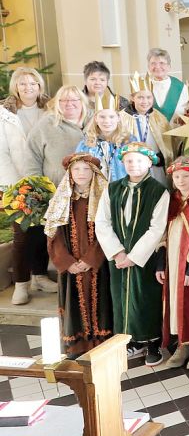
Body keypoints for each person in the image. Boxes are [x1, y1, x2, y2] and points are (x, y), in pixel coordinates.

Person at [94, 142, 169, 363]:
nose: (133, 164)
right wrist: (117, 253)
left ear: (148, 163)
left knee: (146, 297)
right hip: (118, 256)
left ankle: (152, 342)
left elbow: (157, 228)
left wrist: (134, 256)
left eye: (138, 160)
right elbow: (102, 222)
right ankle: (129, 341)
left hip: (144, 256)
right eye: (129, 161)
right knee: (121, 298)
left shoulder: (158, 191)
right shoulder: (112, 188)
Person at [43, 153, 111, 357]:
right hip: (71, 265)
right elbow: (53, 234)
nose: (81, 173)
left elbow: (110, 231)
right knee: (74, 301)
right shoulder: (61, 200)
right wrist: (67, 262)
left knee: (101, 300)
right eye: (76, 169)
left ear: (94, 173)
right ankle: (77, 343)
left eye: (86, 169)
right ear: (70, 173)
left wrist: (91, 259)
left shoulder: (104, 198)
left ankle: (103, 341)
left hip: (97, 264)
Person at [3, 68, 56, 305]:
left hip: (46, 181)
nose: (28, 88)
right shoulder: (4, 113)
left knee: (43, 231)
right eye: (23, 84)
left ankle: (40, 276)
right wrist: (13, 186)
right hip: (18, 183)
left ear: (40, 86)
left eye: (33, 83)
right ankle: (22, 284)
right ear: (16, 87)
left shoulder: (50, 109)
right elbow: (2, 152)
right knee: (22, 235)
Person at [157, 157, 189, 370]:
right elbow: (163, 233)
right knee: (175, 302)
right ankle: (182, 344)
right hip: (172, 261)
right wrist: (161, 263)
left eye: (186, 176)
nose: (181, 180)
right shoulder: (173, 199)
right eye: (177, 177)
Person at [125, 73, 173, 184]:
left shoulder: (159, 118)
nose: (145, 101)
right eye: (140, 97)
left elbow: (169, 144)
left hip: (156, 167)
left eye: (148, 97)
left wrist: (161, 158)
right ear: (132, 98)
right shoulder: (122, 118)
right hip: (133, 167)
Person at [75, 93, 134, 182]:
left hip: (122, 189)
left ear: (118, 118)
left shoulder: (129, 141)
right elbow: (78, 170)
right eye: (102, 117)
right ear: (96, 119)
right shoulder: (86, 143)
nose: (107, 121)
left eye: (111, 117)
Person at [147, 48, 189, 122]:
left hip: (175, 131)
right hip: (150, 132)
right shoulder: (143, 87)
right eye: (153, 63)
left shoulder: (180, 87)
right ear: (149, 67)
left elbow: (187, 113)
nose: (157, 67)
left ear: (169, 66)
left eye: (162, 63)